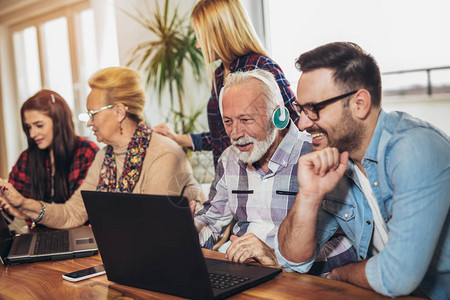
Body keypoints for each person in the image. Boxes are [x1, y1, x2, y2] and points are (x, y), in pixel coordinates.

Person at [276, 42, 450, 299]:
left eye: (314, 108)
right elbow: (292, 261)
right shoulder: (336, 162)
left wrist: (341, 273)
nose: (301, 123)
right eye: (300, 109)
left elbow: (397, 276)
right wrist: (309, 195)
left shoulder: (415, 148)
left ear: (359, 104)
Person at [194, 69, 356, 273]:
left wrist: (278, 260)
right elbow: (211, 220)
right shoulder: (230, 158)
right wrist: (182, 237)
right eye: (228, 121)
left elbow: (347, 243)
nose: (235, 133)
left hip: (299, 282)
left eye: (246, 120)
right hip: (241, 271)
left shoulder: (318, 155)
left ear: (278, 115)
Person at [1, 67, 202, 229]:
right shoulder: (104, 157)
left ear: (119, 111)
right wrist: (23, 203)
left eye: (93, 114)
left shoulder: (163, 154)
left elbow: (151, 227)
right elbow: (73, 213)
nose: (89, 123)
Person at [153, 0, 299, 167]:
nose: (198, 45)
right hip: (229, 180)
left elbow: (296, 124)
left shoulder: (260, 67)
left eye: (200, 37)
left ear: (221, 33)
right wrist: (178, 139)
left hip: (259, 180)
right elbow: (223, 138)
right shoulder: (219, 74)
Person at [1, 89, 98, 228]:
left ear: (59, 121)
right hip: (39, 236)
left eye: (39, 125)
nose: (32, 134)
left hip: (76, 233)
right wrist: (7, 204)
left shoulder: (86, 152)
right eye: (28, 127)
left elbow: (83, 213)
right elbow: (9, 210)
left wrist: (25, 207)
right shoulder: (26, 159)